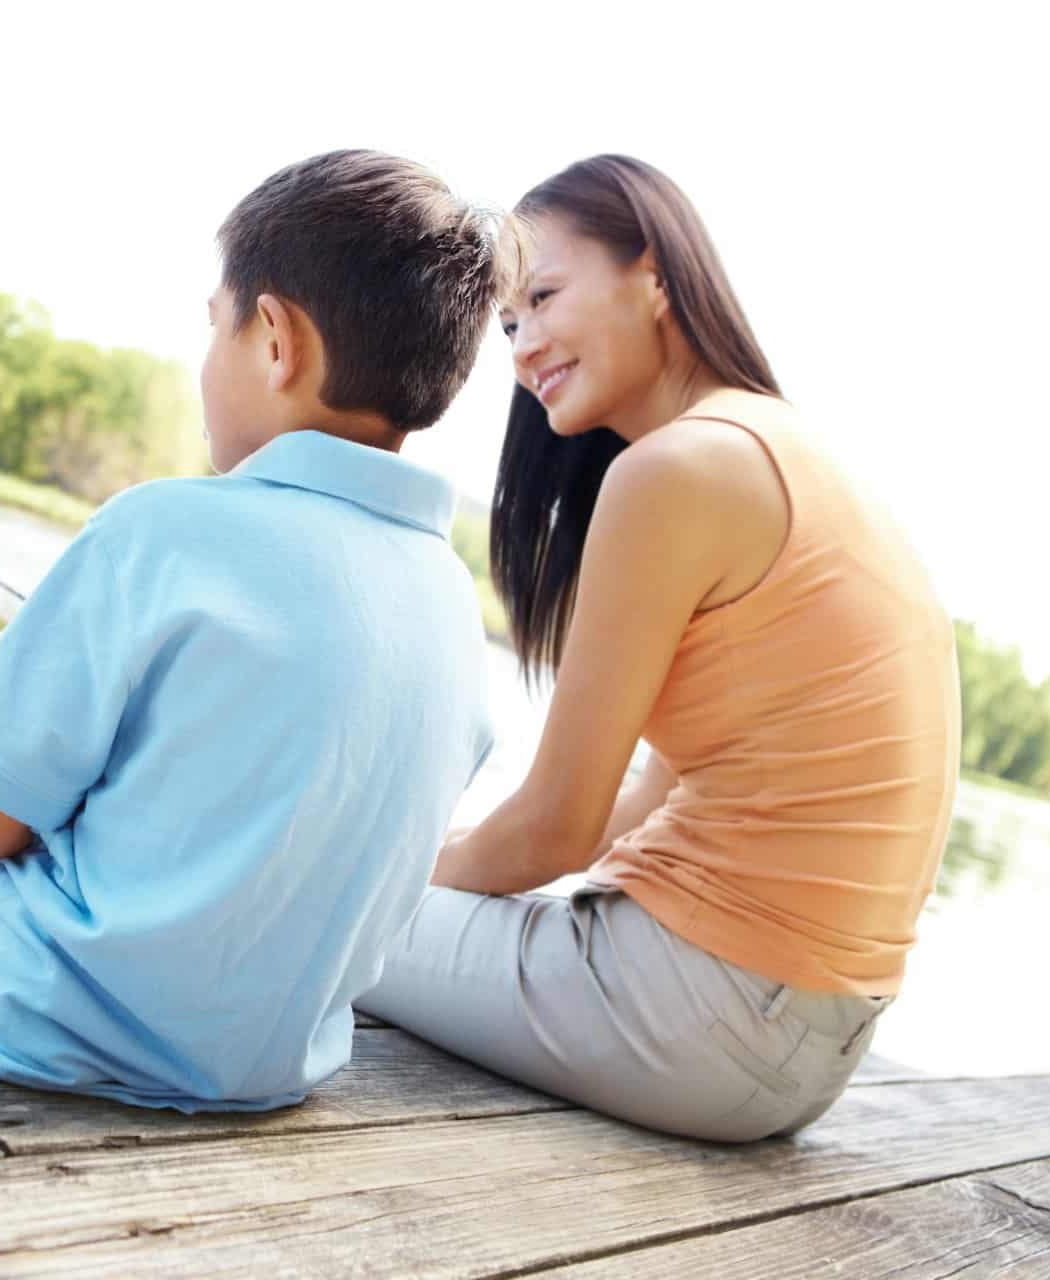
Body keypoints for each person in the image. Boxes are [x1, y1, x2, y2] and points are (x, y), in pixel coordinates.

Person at [0, 149, 498, 1111]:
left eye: (214, 326)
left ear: (275, 340)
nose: (204, 359)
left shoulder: (162, 529)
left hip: (53, 1017)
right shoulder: (456, 609)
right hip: (264, 1071)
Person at [357, 155, 960, 1142]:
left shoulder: (675, 471)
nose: (524, 344)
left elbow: (554, 824)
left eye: (544, 296)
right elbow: (647, 793)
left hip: (702, 1018)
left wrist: (390, 873)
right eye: (508, 322)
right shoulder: (772, 446)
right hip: (803, 1041)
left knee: (304, 896)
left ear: (656, 273)